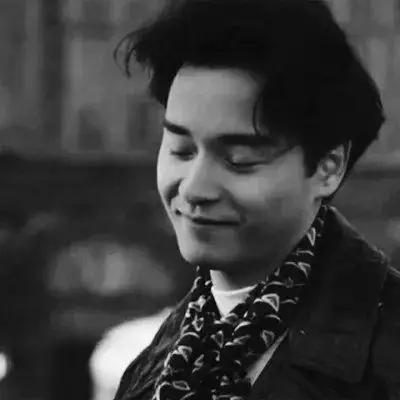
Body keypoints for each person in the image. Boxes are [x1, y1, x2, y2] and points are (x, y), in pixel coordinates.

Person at [113, 0, 400, 399]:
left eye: (239, 159)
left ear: (328, 166)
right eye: (181, 150)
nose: (194, 189)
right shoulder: (156, 361)